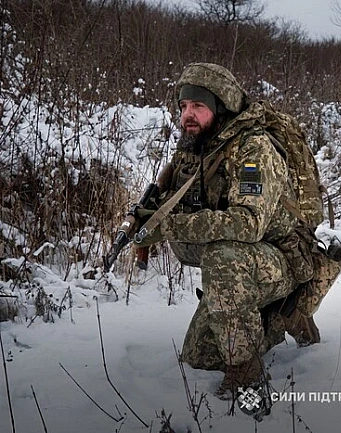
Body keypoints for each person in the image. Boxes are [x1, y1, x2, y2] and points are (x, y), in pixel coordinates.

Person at [134, 63, 322, 400]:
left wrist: (167, 226)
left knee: (223, 256)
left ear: (222, 107)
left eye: (198, 106)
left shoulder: (253, 149)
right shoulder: (199, 145)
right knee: (200, 358)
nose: (187, 115)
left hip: (281, 256)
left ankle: (248, 370)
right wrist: (147, 221)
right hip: (241, 263)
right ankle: (277, 315)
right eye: (183, 106)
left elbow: (248, 223)